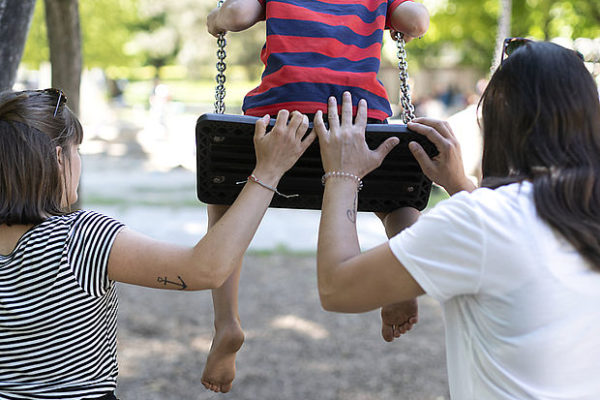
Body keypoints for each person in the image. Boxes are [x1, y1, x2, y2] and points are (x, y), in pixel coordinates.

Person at [313, 40, 600, 399]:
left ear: (499, 121)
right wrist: (459, 184)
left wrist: (342, 174)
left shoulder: (484, 221)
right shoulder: (579, 210)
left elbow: (338, 288)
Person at [0, 89, 315, 398]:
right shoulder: (79, 239)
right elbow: (205, 269)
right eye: (76, 150)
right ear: (58, 158)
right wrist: (269, 171)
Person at [204, 0, 429, 388]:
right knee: (398, 201)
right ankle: (401, 279)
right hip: (357, 125)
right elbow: (416, 22)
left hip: (280, 126)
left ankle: (227, 323)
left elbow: (238, 15)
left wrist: (215, 19)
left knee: (223, 199)